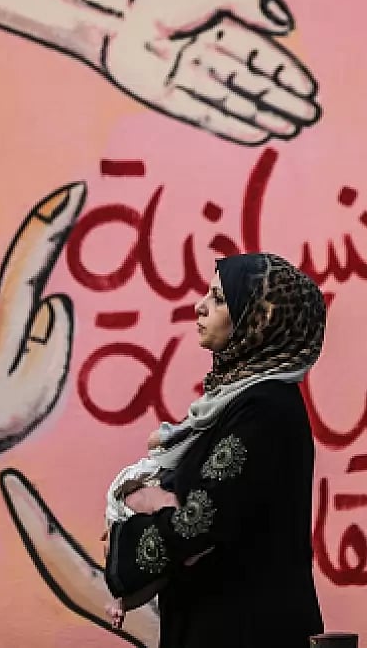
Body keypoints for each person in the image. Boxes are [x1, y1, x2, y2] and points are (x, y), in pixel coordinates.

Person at [103, 252, 327, 647]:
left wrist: (141, 521)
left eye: (220, 299)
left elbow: (201, 523)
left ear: (260, 320)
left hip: (243, 628)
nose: (199, 306)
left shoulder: (262, 409)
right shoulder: (235, 403)